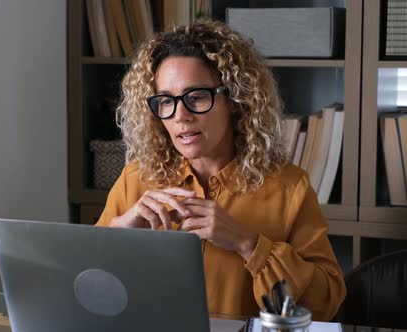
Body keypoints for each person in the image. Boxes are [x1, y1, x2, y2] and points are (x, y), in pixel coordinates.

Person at [94, 20, 346, 321]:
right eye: (165, 101)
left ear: (236, 99)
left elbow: (326, 304)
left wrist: (248, 244)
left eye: (196, 97)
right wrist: (119, 234)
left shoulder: (289, 187)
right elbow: (85, 287)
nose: (180, 116)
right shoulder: (136, 180)